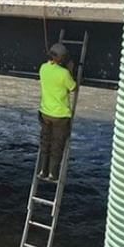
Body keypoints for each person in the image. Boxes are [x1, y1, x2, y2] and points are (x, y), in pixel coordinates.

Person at [38, 43, 76, 181]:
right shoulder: (64, 73)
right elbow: (73, 87)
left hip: (45, 113)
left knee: (45, 142)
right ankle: (53, 174)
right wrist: (70, 70)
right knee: (57, 145)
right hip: (60, 115)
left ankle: (43, 170)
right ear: (61, 59)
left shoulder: (43, 68)